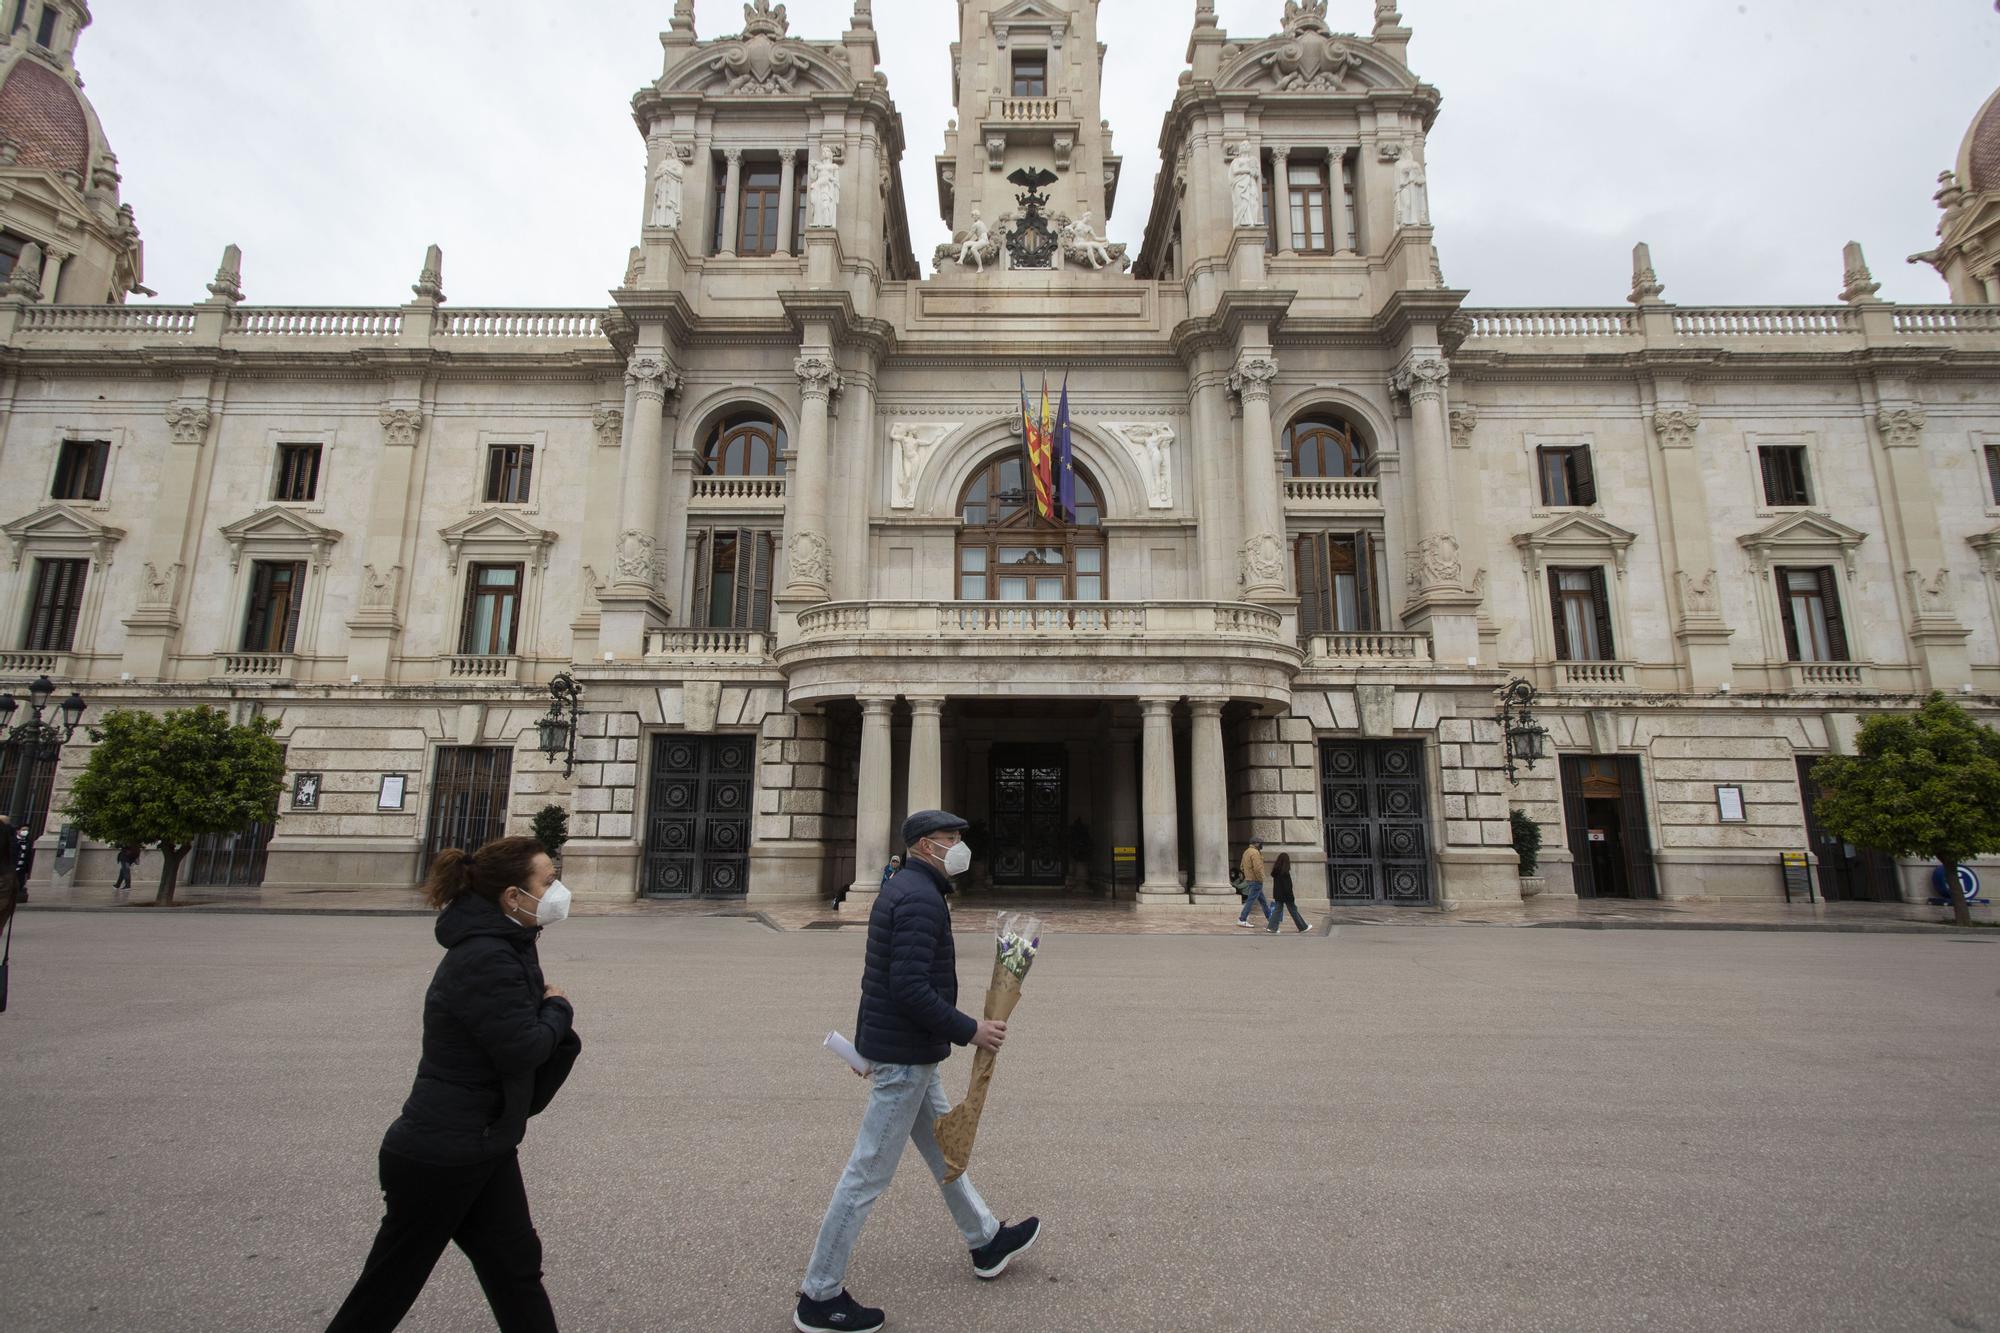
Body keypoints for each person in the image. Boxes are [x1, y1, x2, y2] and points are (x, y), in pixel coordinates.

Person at [794, 809, 1041, 1333]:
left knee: (944, 1150)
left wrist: (869, 1045)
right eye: (952, 839)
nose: (960, 848)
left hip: (909, 1052)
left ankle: (985, 1240)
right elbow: (908, 988)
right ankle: (818, 1295)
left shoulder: (906, 888)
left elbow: (879, 978)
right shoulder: (921, 900)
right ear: (928, 845)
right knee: (865, 1174)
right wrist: (970, 1029)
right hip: (907, 1058)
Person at [325, 837, 581, 1333]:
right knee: (388, 1288)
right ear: (512, 896)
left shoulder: (507, 943)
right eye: (548, 882)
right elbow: (522, 1048)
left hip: (481, 1144)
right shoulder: (486, 956)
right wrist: (558, 1008)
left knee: (514, 1268)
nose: (558, 891)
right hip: (443, 1153)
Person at [1265, 852, 1311, 934]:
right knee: (1293, 910)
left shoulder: (1276, 872)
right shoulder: (1285, 873)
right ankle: (1303, 927)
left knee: (1277, 910)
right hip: (1286, 896)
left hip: (1278, 895)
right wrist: (1291, 897)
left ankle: (1271, 927)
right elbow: (1287, 887)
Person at [1237, 838, 1272, 928]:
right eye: (1260, 843)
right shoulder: (1255, 853)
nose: (1261, 845)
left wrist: (1248, 875)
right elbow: (1257, 868)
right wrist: (1261, 878)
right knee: (1251, 900)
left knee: (1263, 901)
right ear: (1255, 843)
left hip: (1250, 879)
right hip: (1256, 880)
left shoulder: (1246, 852)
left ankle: (1270, 919)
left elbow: (1241, 867)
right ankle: (1242, 919)